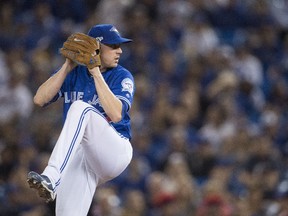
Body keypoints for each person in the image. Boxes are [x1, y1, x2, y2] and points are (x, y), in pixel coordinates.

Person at [27, 24, 135, 216]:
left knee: (81, 108)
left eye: (120, 46)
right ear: (96, 48)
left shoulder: (121, 75)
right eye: (113, 45)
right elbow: (39, 99)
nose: (120, 50)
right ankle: (52, 180)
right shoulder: (74, 73)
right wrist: (67, 65)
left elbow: (116, 114)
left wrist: (95, 72)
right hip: (83, 156)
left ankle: (52, 175)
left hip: (115, 150)